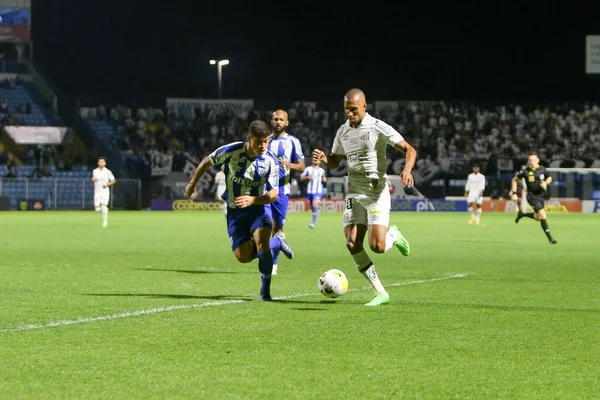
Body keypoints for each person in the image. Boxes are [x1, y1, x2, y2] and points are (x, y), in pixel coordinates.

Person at [312, 88, 417, 307]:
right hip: (354, 191)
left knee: (377, 246)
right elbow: (335, 161)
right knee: (352, 243)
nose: (349, 114)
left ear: (364, 107)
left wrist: (407, 170)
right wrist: (324, 158)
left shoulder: (377, 126)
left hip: (376, 191)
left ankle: (393, 236)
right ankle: (380, 293)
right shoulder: (343, 131)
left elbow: (410, 149)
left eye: (353, 109)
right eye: (346, 110)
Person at [184, 120, 285, 301]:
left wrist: (253, 199)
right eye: (259, 141)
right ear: (249, 139)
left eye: (266, 141)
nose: (263, 146)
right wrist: (192, 184)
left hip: (259, 208)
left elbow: (273, 195)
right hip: (235, 210)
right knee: (243, 257)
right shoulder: (232, 151)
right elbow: (208, 161)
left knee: (262, 245)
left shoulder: (270, 161)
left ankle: (265, 293)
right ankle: (277, 242)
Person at [267, 109, 305, 275]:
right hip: (263, 190)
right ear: (271, 122)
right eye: (275, 119)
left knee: (277, 230)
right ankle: (273, 256)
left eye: (281, 120)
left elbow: (302, 166)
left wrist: (291, 165)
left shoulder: (293, 141)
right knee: (262, 227)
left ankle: (274, 264)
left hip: (282, 191)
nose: (278, 122)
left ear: (286, 123)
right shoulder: (265, 140)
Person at [510, 152, 557, 244]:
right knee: (543, 216)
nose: (532, 161)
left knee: (538, 217)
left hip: (541, 196)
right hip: (532, 196)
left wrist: (545, 182)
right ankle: (550, 239)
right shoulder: (525, 171)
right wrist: (514, 193)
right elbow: (514, 180)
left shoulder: (542, 169)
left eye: (534, 159)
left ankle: (523, 214)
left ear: (538, 160)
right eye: (530, 160)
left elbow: (549, 177)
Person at [300, 157, 327, 229]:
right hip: (309, 191)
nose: (315, 160)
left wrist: (324, 179)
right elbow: (301, 177)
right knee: (312, 208)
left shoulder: (322, 170)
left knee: (314, 205)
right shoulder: (308, 169)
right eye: (314, 159)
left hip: (318, 191)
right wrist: (308, 177)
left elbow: (324, 178)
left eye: (317, 159)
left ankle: (312, 223)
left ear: (320, 162)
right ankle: (316, 215)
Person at [91, 156, 116, 228]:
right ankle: (102, 211)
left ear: (105, 163)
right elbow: (94, 179)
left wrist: (108, 184)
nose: (101, 163)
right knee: (97, 209)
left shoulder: (108, 172)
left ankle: (105, 221)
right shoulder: (95, 171)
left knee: (104, 206)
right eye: (100, 161)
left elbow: (113, 180)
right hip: (97, 191)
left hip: (104, 191)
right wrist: (93, 179)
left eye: (102, 162)